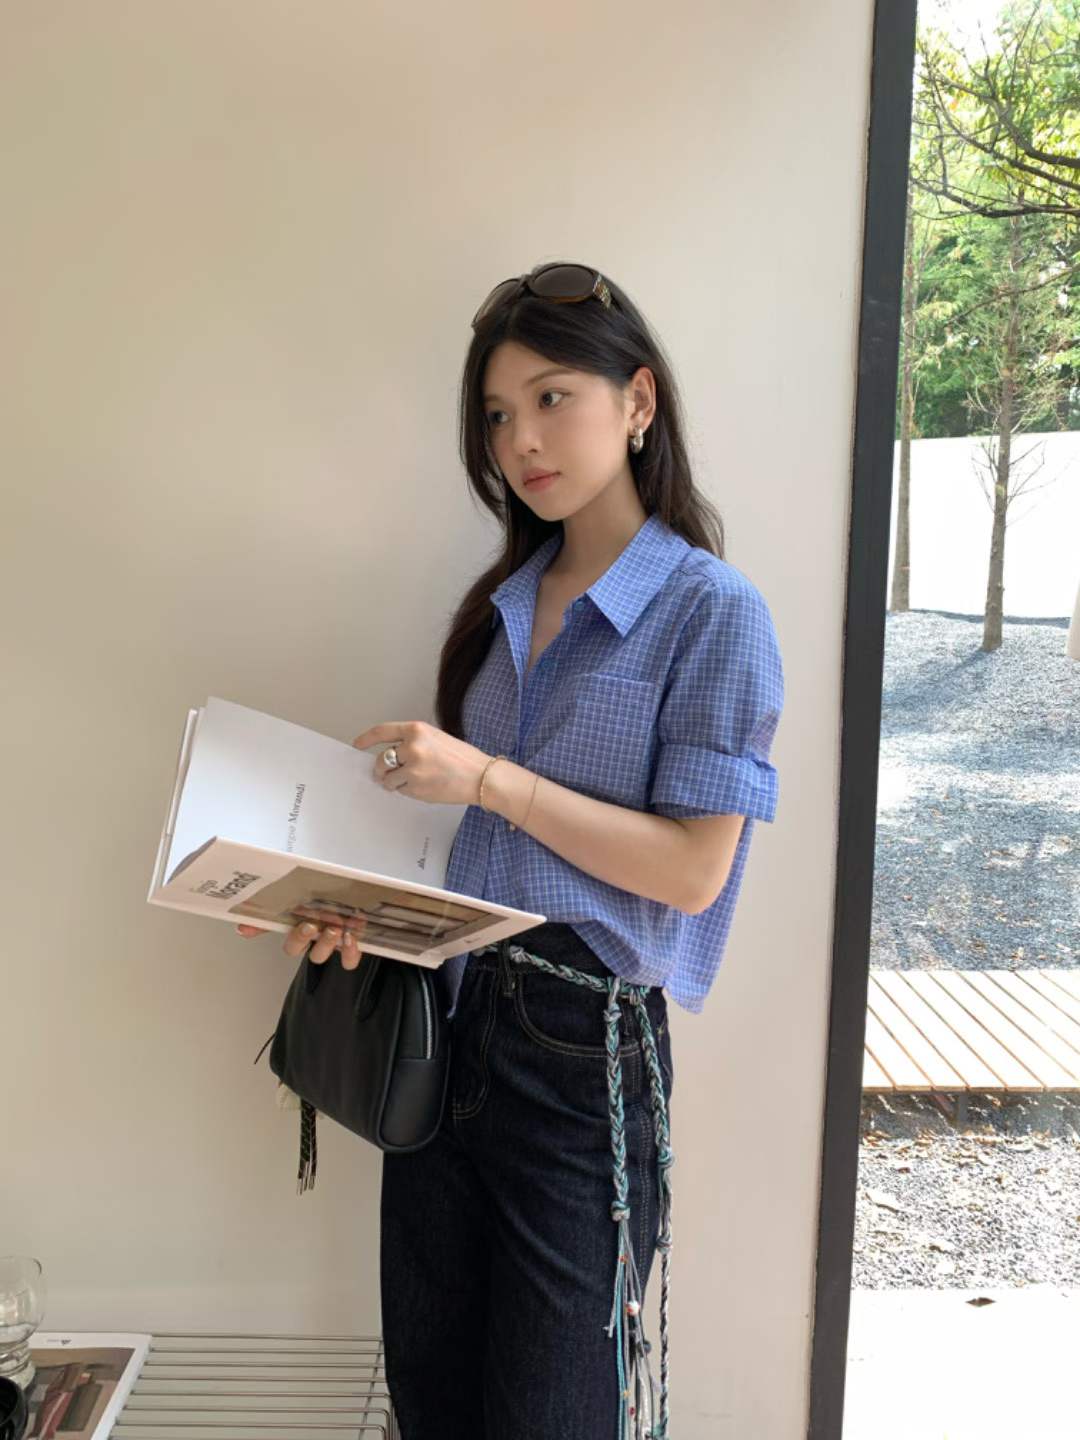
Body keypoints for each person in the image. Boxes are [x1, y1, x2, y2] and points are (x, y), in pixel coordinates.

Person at [237, 261, 785, 1439]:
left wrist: (488, 777)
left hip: (581, 1052)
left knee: (555, 1415)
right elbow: (465, 845)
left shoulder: (713, 612)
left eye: (550, 398)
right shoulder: (501, 603)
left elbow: (694, 871)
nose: (519, 440)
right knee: (431, 1396)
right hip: (446, 1017)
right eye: (496, 415)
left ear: (638, 401)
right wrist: (353, 909)